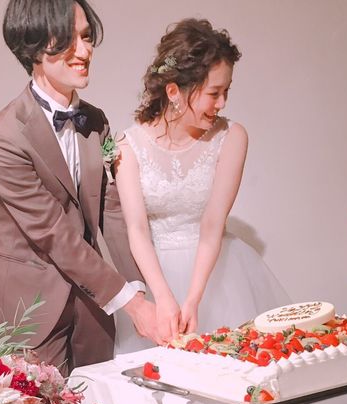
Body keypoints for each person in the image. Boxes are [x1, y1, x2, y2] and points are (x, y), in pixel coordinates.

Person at [0, 0, 157, 373]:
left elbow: (110, 210)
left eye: (87, 37)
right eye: (67, 39)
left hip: (93, 303)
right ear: (32, 46)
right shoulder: (3, 138)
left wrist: (138, 286)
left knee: (99, 402)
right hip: (32, 308)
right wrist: (131, 303)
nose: (84, 51)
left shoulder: (95, 121)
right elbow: (53, 233)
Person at [114, 18, 290, 353]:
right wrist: (163, 297)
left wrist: (194, 299)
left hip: (217, 274)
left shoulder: (231, 137)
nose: (222, 103)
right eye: (213, 93)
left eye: (226, 92)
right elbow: (137, 229)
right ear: (174, 93)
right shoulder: (127, 146)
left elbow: (212, 224)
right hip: (154, 275)